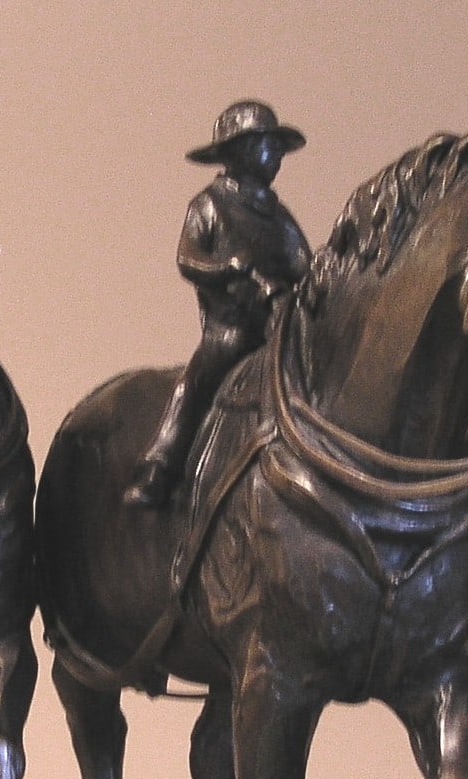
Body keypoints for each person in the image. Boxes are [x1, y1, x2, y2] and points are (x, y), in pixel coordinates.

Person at [124, 101, 311, 508]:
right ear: (240, 151)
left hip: (282, 322)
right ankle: (161, 463)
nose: (275, 156)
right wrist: (228, 267)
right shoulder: (210, 205)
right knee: (198, 381)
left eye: (277, 147)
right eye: (266, 146)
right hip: (232, 328)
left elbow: (303, 262)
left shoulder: (278, 216)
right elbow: (188, 258)